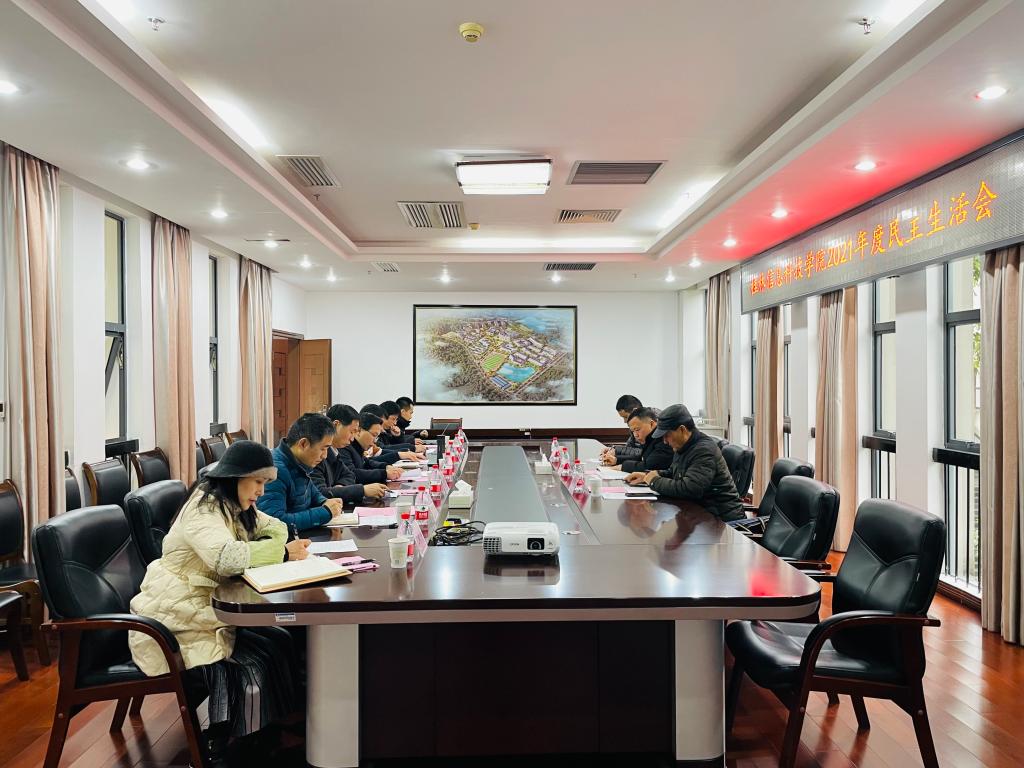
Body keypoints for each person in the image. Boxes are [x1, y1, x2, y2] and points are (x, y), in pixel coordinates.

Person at [129, 440, 310, 762]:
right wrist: (280, 552)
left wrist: (269, 547)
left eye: (265, 483)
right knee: (247, 660)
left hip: (204, 601)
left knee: (278, 639)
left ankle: (266, 728)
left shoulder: (234, 504)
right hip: (174, 611)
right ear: (235, 477)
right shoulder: (204, 509)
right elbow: (227, 559)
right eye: (257, 482)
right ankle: (223, 745)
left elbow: (277, 526)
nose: (261, 491)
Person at [625, 404, 743, 522]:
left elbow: (690, 489)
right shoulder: (683, 445)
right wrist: (648, 476)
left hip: (721, 521)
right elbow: (674, 472)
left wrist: (653, 481)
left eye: (667, 435)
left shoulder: (703, 450)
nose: (665, 441)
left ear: (682, 430)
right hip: (699, 515)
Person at [258, 412, 345, 531]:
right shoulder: (275, 470)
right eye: (323, 449)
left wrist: (325, 502)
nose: (325, 456)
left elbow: (314, 494)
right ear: (303, 444)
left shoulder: (300, 464)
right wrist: (325, 512)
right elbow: (274, 522)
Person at [311, 404, 391, 501]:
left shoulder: (334, 451)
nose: (352, 439)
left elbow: (350, 475)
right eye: (352, 432)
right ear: (335, 425)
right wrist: (362, 490)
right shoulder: (316, 454)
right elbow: (319, 493)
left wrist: (341, 487)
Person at [342, 410, 402, 483]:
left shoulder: (357, 447)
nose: (374, 441)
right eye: (374, 435)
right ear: (359, 431)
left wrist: (386, 467)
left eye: (377, 437)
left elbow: (367, 462)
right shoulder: (344, 446)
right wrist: (384, 474)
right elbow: (352, 473)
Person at [606, 407, 673, 473]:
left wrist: (623, 466)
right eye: (633, 431)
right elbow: (642, 458)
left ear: (652, 424)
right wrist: (617, 460)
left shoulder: (663, 438)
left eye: (637, 430)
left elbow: (650, 466)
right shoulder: (649, 438)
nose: (635, 435)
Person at [601, 394, 644, 466]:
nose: (625, 421)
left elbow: (643, 454)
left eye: (626, 417)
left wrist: (616, 454)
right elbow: (630, 449)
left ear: (635, 411)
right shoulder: (634, 424)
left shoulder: (654, 423)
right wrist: (613, 450)